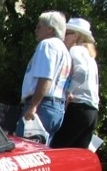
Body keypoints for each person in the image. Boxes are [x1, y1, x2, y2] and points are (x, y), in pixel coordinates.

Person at [16, 11, 71, 140]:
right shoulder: (65, 51)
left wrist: (33, 106)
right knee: (41, 153)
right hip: (57, 107)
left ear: (50, 29)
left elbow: (46, 77)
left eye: (39, 27)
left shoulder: (47, 45)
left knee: (25, 151)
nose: (36, 30)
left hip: (42, 106)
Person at [51, 17, 100, 149]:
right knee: (77, 154)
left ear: (76, 36)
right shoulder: (90, 57)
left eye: (67, 33)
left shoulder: (75, 50)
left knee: (58, 149)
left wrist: (68, 92)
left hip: (78, 108)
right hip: (92, 112)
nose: (63, 37)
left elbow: (81, 72)